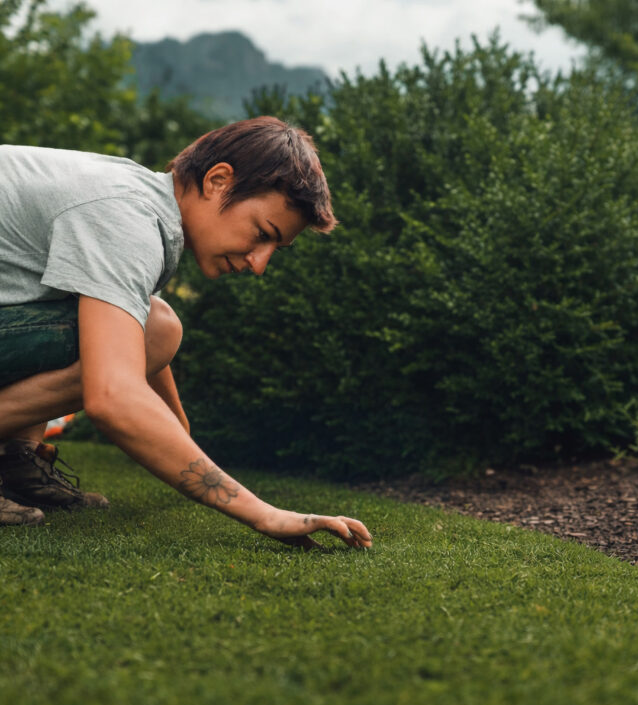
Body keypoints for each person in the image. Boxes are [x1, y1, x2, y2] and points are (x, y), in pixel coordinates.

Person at [0, 116, 372, 551]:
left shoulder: (138, 199)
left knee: (153, 323)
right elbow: (113, 395)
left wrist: (176, 426)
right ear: (217, 180)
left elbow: (133, 322)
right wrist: (266, 514)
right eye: (261, 234)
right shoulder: (124, 218)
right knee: (159, 330)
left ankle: (13, 460)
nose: (260, 263)